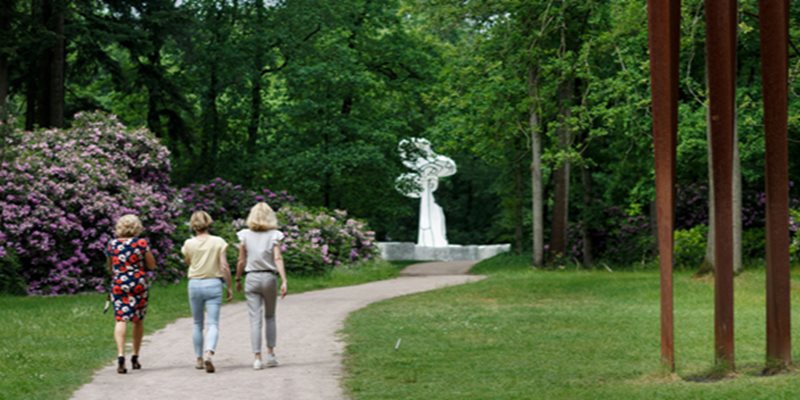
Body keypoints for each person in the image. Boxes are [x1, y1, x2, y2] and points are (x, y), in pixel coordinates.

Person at [236, 202, 288, 370]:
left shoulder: (244, 235)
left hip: (251, 277)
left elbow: (241, 260)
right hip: (269, 277)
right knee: (270, 316)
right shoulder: (274, 235)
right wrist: (284, 280)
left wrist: (237, 278)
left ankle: (257, 358)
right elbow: (278, 258)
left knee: (254, 320)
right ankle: (271, 354)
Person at [181, 211, 233, 373]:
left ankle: (198, 358)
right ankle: (209, 353)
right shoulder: (218, 242)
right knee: (213, 323)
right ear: (209, 223)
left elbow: (188, 261)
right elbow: (224, 266)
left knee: (197, 323)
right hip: (213, 284)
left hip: (195, 284)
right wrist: (229, 286)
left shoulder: (188, 243)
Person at [105, 214, 157, 374]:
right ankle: (135, 356)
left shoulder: (112, 244)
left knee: (121, 319)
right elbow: (152, 265)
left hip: (119, 283)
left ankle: (121, 355)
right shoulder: (141, 243)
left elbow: (110, 267)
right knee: (138, 320)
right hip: (137, 283)